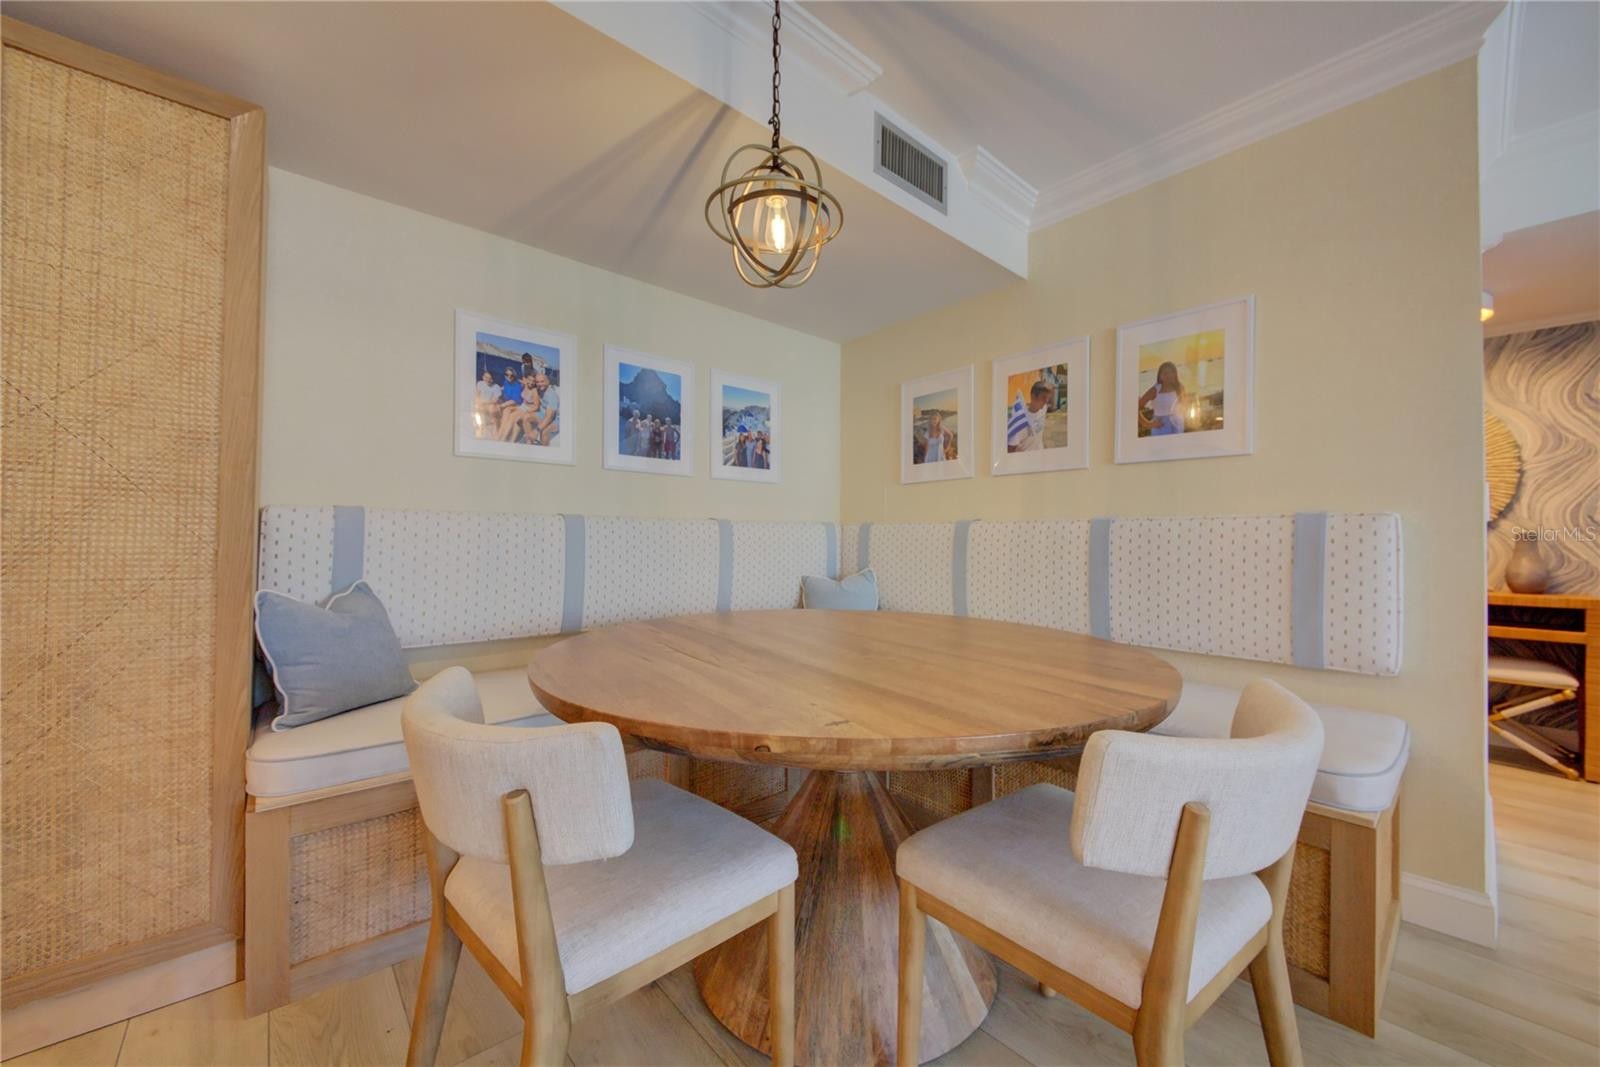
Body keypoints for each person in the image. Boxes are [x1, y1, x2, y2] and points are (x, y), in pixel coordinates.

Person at [1139, 361, 1186, 436]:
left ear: (1175, 374)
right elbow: (1136, 408)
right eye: (1165, 373)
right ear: (1160, 376)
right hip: (1161, 428)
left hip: (1178, 426)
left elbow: (1183, 405)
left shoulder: (1180, 387)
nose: (1169, 375)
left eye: (1172, 372)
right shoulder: (1155, 390)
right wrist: (1148, 424)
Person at [1006, 380, 1053, 453]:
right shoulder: (1020, 421)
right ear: (1033, 396)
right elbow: (1010, 448)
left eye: (1048, 398)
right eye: (1044, 397)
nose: (1046, 401)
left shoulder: (1043, 408)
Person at [530, 371, 559, 445]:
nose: (540, 384)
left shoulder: (552, 395)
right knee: (526, 417)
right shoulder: (539, 390)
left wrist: (536, 430)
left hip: (555, 419)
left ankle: (544, 448)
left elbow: (549, 418)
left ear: (548, 382)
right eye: (537, 382)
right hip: (543, 414)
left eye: (542, 381)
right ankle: (530, 440)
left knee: (544, 431)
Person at [495, 368, 524, 439]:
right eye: (507, 374)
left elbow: (515, 400)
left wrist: (502, 405)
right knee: (495, 407)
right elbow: (504, 391)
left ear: (514, 376)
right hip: (507, 402)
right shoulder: (506, 382)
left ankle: (500, 434)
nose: (509, 377)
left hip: (516, 404)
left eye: (511, 375)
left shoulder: (517, 385)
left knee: (506, 411)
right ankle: (500, 432)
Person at [473, 370, 502, 437]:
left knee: (492, 408)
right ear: (483, 377)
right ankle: (480, 429)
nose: (488, 380)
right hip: (481, 404)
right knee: (477, 407)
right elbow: (477, 395)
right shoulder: (480, 383)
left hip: (490, 405)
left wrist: (483, 403)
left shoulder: (496, 387)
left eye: (490, 378)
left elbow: (495, 400)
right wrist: (478, 402)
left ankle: (496, 431)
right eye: (486, 377)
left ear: (493, 379)